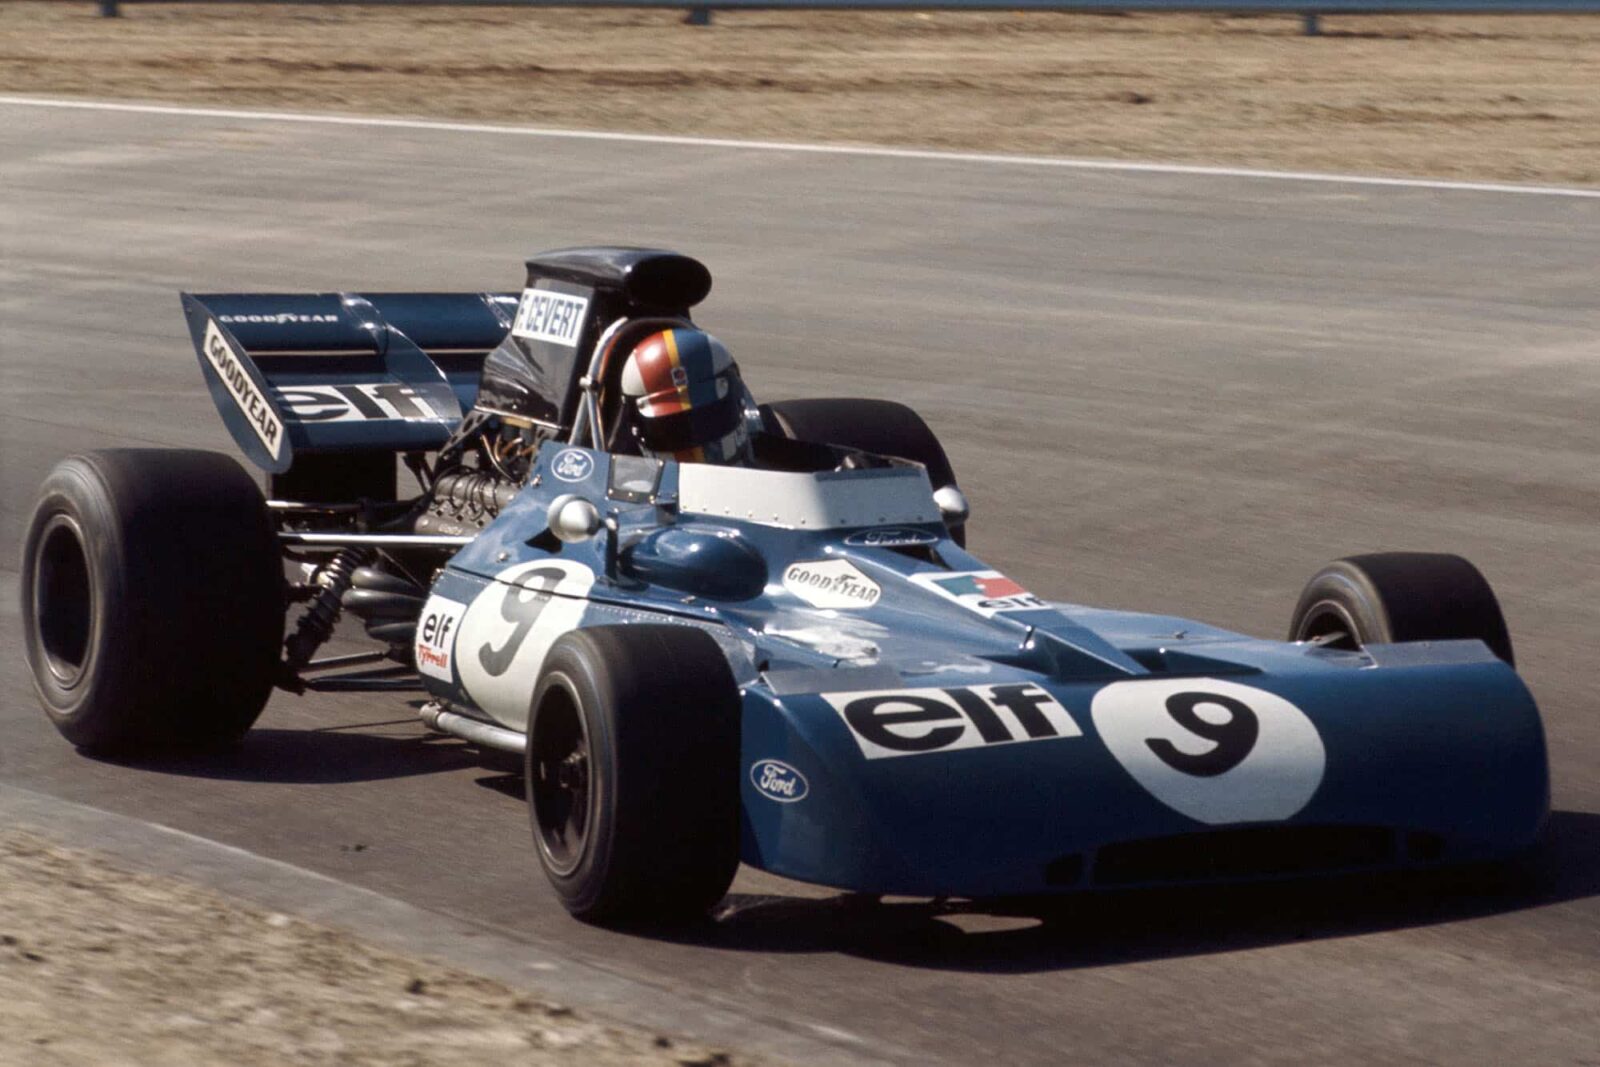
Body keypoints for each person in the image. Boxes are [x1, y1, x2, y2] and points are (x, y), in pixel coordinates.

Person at [618, 327, 753, 465]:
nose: (696, 447)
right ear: (636, 427)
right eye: (674, 430)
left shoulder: (772, 455)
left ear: (738, 400)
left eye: (707, 420)